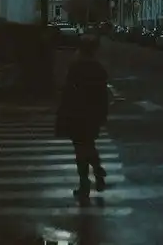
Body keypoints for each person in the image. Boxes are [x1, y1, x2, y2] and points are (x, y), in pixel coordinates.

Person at [55, 34, 109, 199]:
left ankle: (85, 182)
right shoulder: (98, 68)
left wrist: (63, 113)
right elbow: (103, 95)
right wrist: (102, 115)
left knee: (80, 149)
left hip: (77, 113)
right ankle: (97, 172)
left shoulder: (76, 67)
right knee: (89, 145)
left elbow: (68, 92)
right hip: (92, 114)